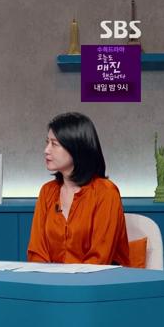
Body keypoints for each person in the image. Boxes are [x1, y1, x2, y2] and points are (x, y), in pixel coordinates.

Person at [27, 112, 129, 265]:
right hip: (52, 279)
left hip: (98, 279)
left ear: (76, 148)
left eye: (54, 144)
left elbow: (99, 259)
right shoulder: (47, 191)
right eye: (47, 142)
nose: (46, 150)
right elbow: (37, 252)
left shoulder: (106, 192)